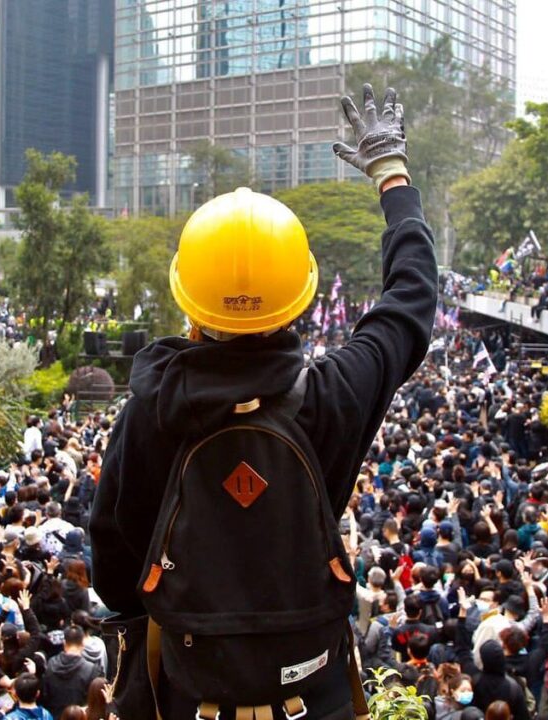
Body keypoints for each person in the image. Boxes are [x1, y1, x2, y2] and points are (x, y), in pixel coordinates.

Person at [90, 83, 437, 719]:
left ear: (188, 303)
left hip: (187, 695)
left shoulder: (151, 404)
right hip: (313, 695)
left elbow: (114, 561)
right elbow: (410, 302)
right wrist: (391, 174)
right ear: (301, 297)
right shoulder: (333, 394)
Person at [41, 627, 103, 717]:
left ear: (64, 644)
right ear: (82, 644)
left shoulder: (50, 665)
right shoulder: (92, 670)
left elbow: (45, 696)